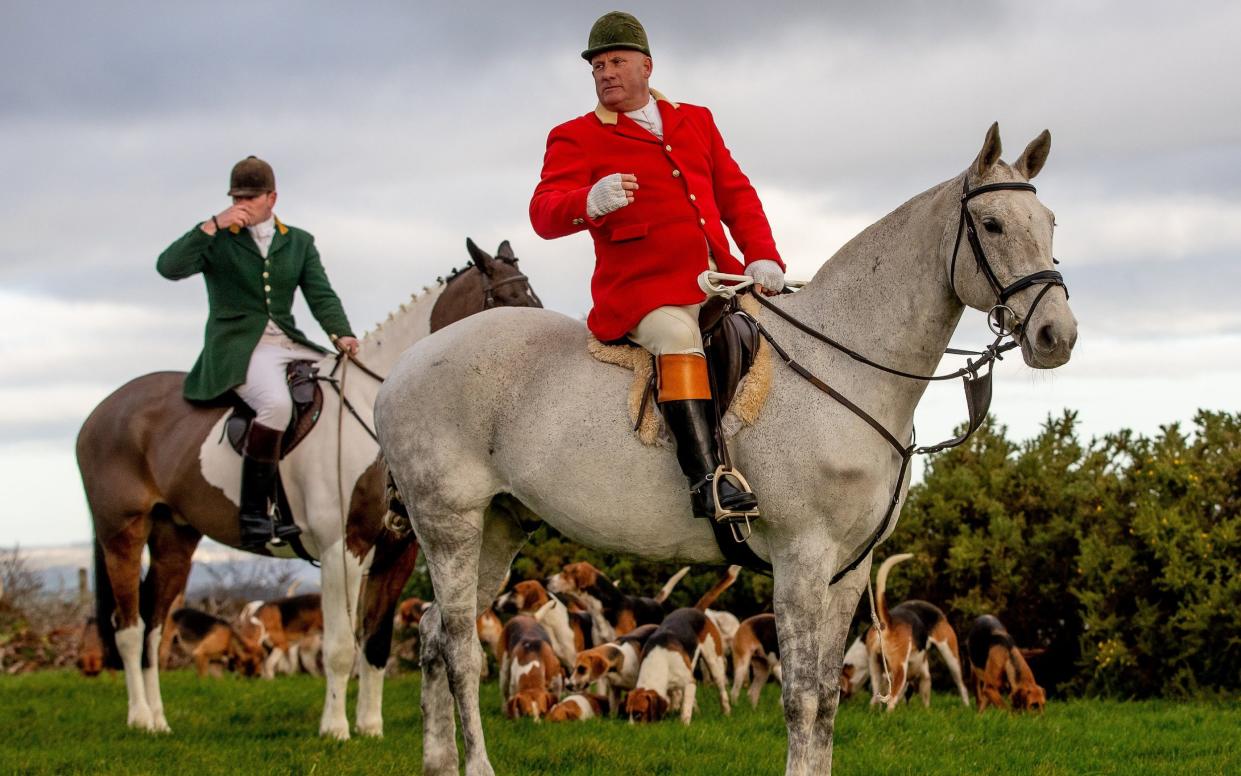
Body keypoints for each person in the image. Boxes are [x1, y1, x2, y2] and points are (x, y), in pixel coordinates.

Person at [529, 12, 785, 526]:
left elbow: (736, 194)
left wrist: (762, 253)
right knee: (676, 337)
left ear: (647, 65)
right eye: (597, 65)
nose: (605, 73)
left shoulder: (696, 119)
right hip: (643, 292)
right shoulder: (575, 136)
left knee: (783, 331)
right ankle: (707, 479)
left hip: (721, 278)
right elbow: (543, 213)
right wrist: (588, 201)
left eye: (616, 61)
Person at [157, 156, 359, 550]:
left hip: (289, 341)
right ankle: (254, 514)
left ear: (272, 197)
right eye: (237, 197)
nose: (243, 204)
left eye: (251, 197)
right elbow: (169, 266)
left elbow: (319, 293)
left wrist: (342, 334)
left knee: (342, 390)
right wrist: (211, 225)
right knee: (276, 406)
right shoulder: (216, 240)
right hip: (239, 347)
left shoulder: (298, 241)